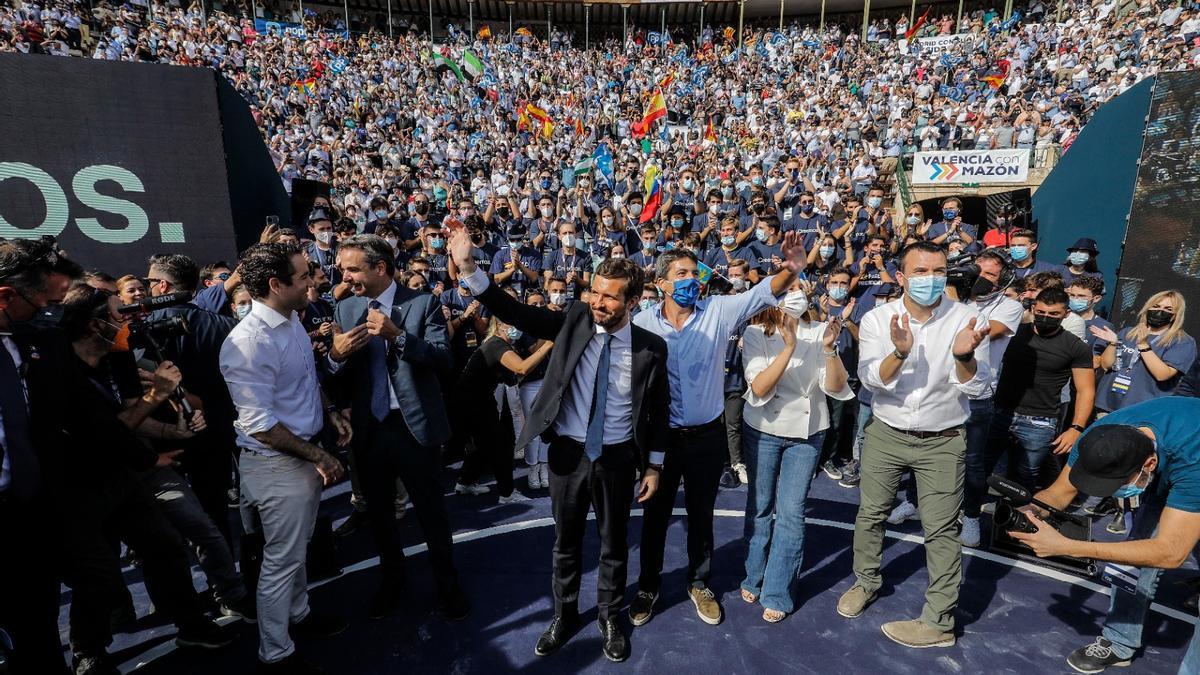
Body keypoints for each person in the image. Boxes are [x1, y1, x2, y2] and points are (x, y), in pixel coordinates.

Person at [449, 228, 670, 663]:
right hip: (567, 455)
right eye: (594, 293)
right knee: (565, 543)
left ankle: (609, 616)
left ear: (633, 302)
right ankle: (565, 615)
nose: (598, 303)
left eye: (609, 298)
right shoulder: (574, 319)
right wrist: (472, 270)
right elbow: (515, 312)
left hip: (618, 459)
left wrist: (654, 466)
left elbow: (658, 410)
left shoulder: (652, 349)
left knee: (613, 543)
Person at [630, 232, 809, 629]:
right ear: (661, 283)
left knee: (701, 515)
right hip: (659, 442)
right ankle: (647, 587)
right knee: (654, 516)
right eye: (681, 273)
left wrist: (791, 268)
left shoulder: (719, 310)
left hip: (706, 437)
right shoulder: (641, 323)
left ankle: (698, 582)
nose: (692, 279)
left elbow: (764, 292)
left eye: (695, 272)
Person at [838, 241, 989, 649]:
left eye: (938, 270)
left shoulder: (968, 319)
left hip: (943, 441)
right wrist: (900, 354)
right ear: (901, 277)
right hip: (887, 434)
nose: (932, 278)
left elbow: (977, 386)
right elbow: (872, 379)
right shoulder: (877, 319)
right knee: (871, 514)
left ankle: (939, 622)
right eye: (921, 271)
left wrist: (964, 356)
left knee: (941, 530)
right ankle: (866, 582)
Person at [219, 243, 351, 674]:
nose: (313, 280)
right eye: (303, 276)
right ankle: (275, 653)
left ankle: (300, 614)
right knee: (281, 560)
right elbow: (258, 424)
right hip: (279, 465)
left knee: (297, 549)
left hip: (301, 456)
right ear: (275, 285)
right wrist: (319, 456)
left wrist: (329, 413)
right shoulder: (248, 343)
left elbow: (305, 380)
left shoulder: (291, 319)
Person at [327, 234, 469, 621]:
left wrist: (398, 337)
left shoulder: (423, 304)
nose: (345, 275)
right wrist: (335, 357)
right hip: (368, 430)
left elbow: (443, 361)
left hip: (413, 428)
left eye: (352, 268)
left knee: (430, 513)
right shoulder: (346, 308)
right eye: (344, 268)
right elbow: (338, 373)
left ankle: (448, 584)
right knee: (380, 514)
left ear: (380, 268)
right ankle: (393, 579)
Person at [1008, 398, 1200, 674]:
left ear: (1149, 463)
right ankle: (1120, 642)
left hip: (1191, 463)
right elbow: (1060, 493)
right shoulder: (1099, 437)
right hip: (1173, 471)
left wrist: (1071, 547)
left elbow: (1171, 552)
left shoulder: (1193, 455)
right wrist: (1032, 509)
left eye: (1117, 484)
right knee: (1131, 559)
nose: (1109, 492)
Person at [739, 278, 852, 622]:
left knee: (791, 512)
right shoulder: (757, 334)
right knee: (760, 507)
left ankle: (777, 590)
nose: (795, 295)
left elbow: (834, 388)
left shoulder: (821, 332)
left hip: (808, 434)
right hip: (764, 429)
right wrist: (788, 348)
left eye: (801, 287)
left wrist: (830, 349)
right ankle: (753, 575)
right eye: (789, 288)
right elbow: (758, 386)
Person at [0, 238, 84, 674]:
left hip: (30, 510)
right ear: (6, 296)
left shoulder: (32, 343)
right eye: (46, 304)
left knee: (38, 617)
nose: (53, 313)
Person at [988, 287, 1096, 491]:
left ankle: (1019, 519)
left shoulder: (1075, 347)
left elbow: (1085, 390)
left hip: (1040, 421)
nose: (1046, 317)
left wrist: (1076, 429)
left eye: (1054, 314)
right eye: (1041, 312)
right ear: (1033, 309)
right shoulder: (1014, 335)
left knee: (1026, 476)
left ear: (1066, 314)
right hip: (1000, 412)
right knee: (983, 466)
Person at [454, 292, 552, 501]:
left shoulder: (505, 346)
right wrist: (548, 345)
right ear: (499, 325)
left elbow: (512, 378)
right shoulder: (496, 345)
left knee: (481, 444)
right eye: (511, 323)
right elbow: (522, 368)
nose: (516, 328)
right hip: (471, 401)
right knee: (502, 445)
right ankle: (507, 493)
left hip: (480, 399)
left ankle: (465, 482)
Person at [1092, 291, 1196, 414]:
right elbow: (1106, 365)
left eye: (1168, 309)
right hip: (1107, 405)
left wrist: (1143, 345)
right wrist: (1113, 343)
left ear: (1175, 315)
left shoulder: (1182, 341)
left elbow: (1162, 374)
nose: (1160, 311)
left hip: (1142, 411)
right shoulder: (1128, 333)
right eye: (1156, 306)